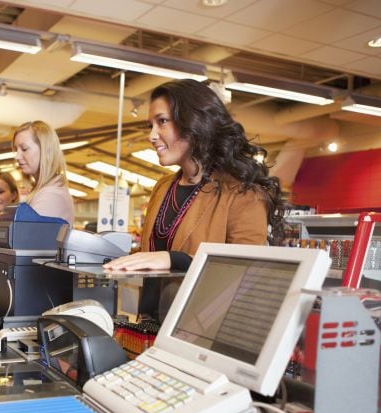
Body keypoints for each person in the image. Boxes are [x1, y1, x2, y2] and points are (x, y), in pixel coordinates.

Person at [103, 79, 285, 317]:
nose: (152, 135)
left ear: (194, 122)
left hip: (201, 330)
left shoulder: (243, 193)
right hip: (150, 325)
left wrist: (176, 260)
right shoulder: (163, 187)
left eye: (162, 122)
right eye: (150, 125)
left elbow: (244, 270)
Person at [13, 120, 75, 225]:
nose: (17, 156)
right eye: (16, 150)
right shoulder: (42, 192)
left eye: (24, 149)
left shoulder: (51, 195)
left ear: (45, 149)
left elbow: (27, 238)